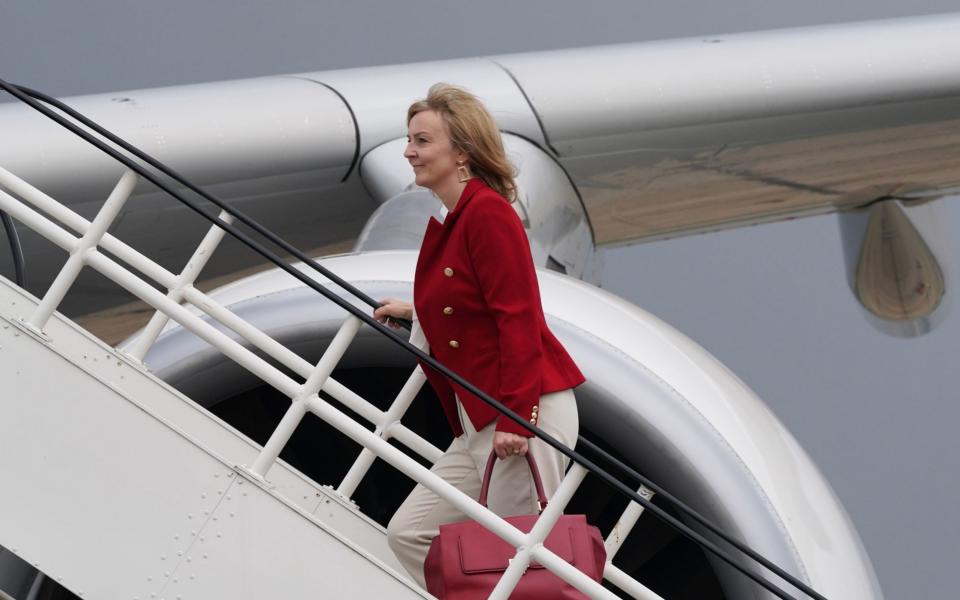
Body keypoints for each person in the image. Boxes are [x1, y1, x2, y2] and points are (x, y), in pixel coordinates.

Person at [373, 83, 585, 588]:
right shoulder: (458, 219)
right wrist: (418, 313)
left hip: (519, 413)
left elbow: (518, 316)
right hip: (480, 423)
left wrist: (519, 414)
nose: (409, 151)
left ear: (461, 152)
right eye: (410, 140)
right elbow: (470, 306)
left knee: (519, 560)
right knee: (410, 533)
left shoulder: (488, 214)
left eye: (422, 141)